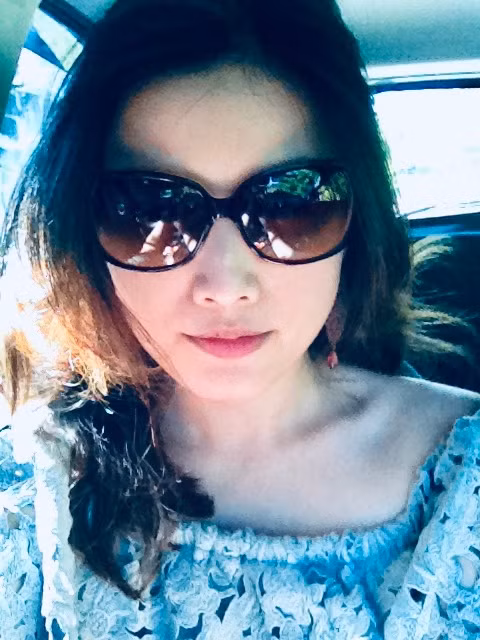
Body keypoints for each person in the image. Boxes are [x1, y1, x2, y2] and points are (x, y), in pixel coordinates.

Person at [0, 0, 479, 637]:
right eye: (150, 211)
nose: (225, 288)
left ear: (356, 221)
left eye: (289, 206)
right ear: (82, 233)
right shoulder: (37, 480)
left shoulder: (464, 484)